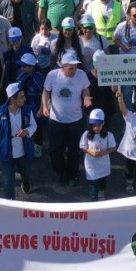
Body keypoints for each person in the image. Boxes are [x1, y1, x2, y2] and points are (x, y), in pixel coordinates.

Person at [43, 51, 91, 184]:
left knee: (74, 150)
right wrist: (45, 107)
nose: (74, 70)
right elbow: (46, 91)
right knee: (54, 150)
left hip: (75, 120)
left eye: (75, 67)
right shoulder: (52, 75)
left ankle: (72, 174)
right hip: (56, 120)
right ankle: (59, 171)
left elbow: (85, 89)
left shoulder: (81, 75)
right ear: (62, 67)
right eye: (71, 68)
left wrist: (86, 97)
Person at [0, 83, 40, 199]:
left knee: (26, 173)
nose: (25, 99)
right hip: (6, 153)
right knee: (8, 182)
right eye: (21, 97)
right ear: (12, 99)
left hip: (23, 152)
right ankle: (10, 202)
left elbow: (34, 126)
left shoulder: (27, 110)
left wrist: (27, 131)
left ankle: (25, 182)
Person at [81, 108, 118, 200]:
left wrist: (103, 153)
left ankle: (102, 191)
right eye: (94, 125)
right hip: (91, 167)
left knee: (102, 182)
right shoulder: (86, 134)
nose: (96, 128)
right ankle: (93, 206)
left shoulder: (109, 135)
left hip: (103, 166)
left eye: (98, 125)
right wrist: (91, 152)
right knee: (93, 190)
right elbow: (82, 147)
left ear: (103, 124)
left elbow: (113, 148)